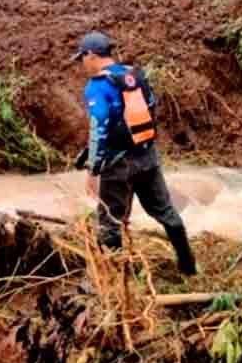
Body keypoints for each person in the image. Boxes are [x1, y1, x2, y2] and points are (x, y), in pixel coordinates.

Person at [73, 31, 196, 275]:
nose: (82, 64)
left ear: (91, 55)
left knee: (110, 223)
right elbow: (150, 108)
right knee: (166, 213)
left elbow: (99, 126)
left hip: (117, 165)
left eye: (82, 58)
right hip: (147, 155)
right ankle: (189, 267)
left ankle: (116, 280)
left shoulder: (97, 86)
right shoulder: (134, 75)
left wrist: (93, 169)